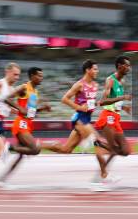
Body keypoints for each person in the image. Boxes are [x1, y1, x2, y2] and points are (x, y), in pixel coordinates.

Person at [41, 60, 111, 189]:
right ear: (87, 70)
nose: (97, 71)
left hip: (87, 119)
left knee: (65, 150)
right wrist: (79, 107)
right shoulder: (79, 85)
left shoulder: (95, 85)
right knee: (97, 141)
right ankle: (103, 176)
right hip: (79, 118)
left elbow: (91, 102)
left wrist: (95, 104)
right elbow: (64, 99)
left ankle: (42, 145)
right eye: (95, 69)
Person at [0, 67, 51, 185]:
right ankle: (9, 148)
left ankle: (1, 180)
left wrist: (42, 108)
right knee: (35, 150)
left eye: (42, 76)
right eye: (39, 76)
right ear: (32, 76)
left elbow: (31, 111)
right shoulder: (24, 87)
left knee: (21, 156)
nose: (41, 78)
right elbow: (6, 98)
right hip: (21, 124)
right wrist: (20, 108)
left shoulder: (35, 92)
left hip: (28, 124)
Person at [94, 56, 132, 183]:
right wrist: (122, 98)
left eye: (129, 65)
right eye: (127, 65)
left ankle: (100, 144)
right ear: (119, 66)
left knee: (125, 151)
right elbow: (103, 102)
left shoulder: (122, 82)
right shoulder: (110, 80)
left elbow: (114, 101)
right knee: (113, 149)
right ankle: (103, 175)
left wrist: (123, 107)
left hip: (116, 117)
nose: (129, 68)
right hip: (108, 116)